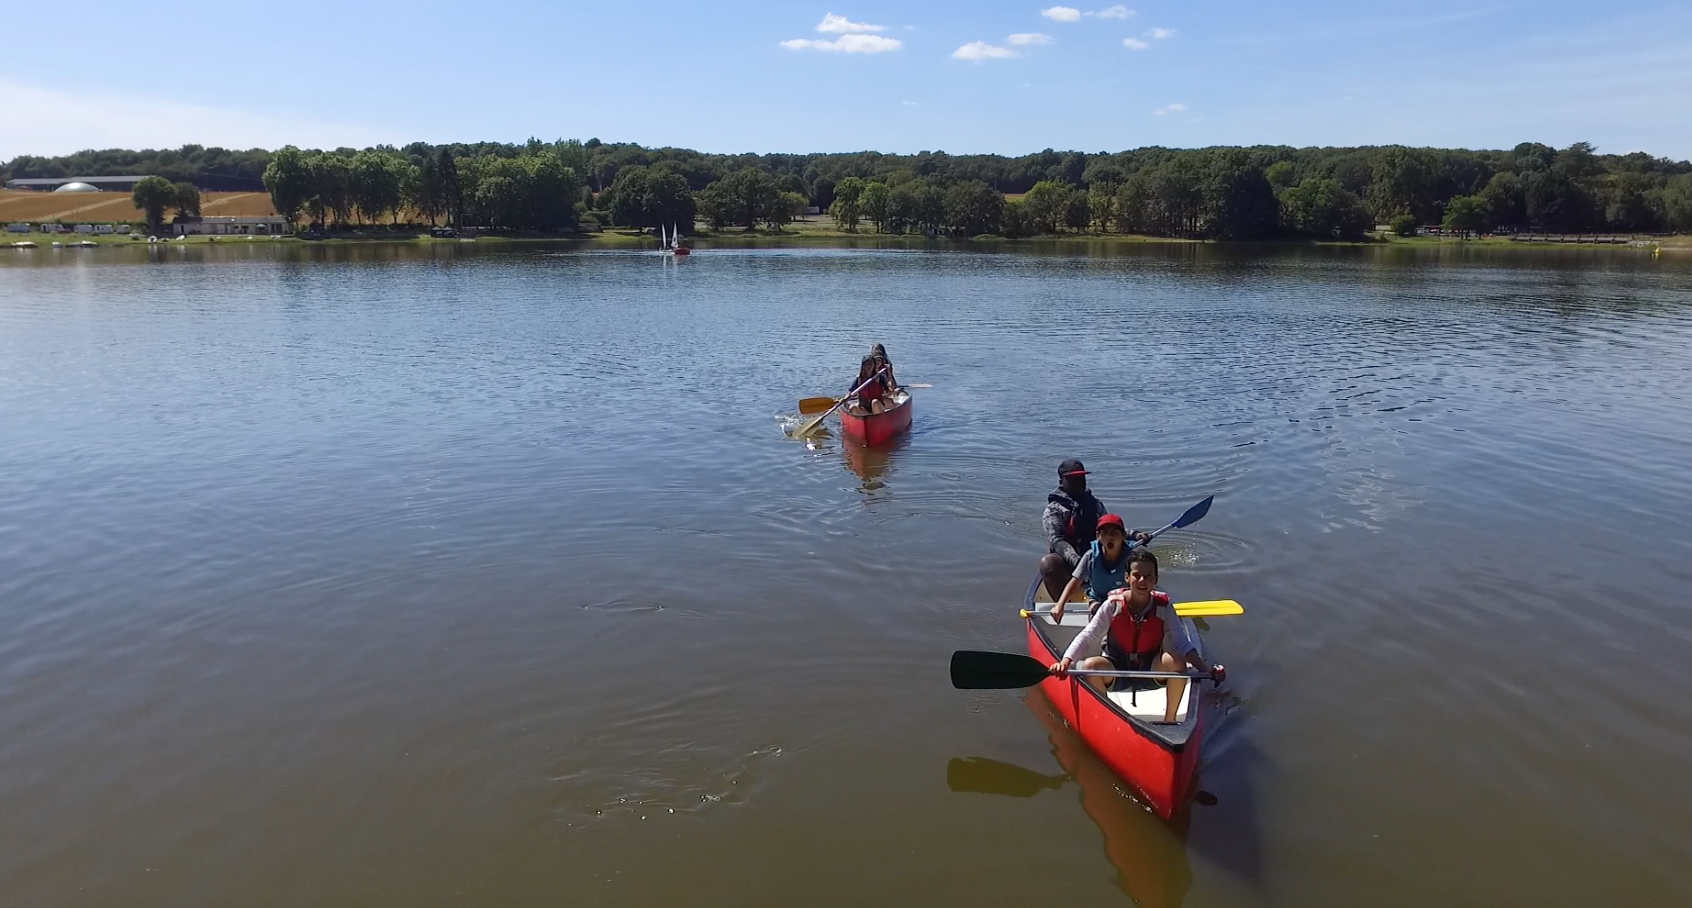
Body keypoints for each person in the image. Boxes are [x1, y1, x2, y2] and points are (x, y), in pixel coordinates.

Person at [1047, 549, 1225, 724]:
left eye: (1148, 576)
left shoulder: (1164, 607)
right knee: (1090, 665)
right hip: (1116, 670)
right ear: (1127, 578)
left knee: (1176, 661)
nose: (1142, 581)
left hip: (1150, 671)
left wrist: (1206, 669)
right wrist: (1065, 662)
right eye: (1136, 575)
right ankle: (1108, 718)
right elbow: (1088, 636)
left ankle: (1170, 722)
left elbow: (1181, 643)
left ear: (1156, 580)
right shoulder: (1112, 605)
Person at [1039, 459, 1148, 599]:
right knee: (1048, 563)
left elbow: (1110, 529)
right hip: (1070, 563)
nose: (1078, 481)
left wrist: (1136, 535)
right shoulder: (1054, 510)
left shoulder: (1094, 504)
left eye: (1081, 477)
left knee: (1138, 554)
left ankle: (1135, 598)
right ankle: (1064, 605)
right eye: (1072, 479)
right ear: (1061, 481)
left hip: (1098, 557)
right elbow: (1057, 541)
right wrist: (1077, 561)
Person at [1048, 513, 1134, 623]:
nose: (1109, 537)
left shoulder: (1131, 558)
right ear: (1098, 536)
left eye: (1114, 533)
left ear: (1123, 536)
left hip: (1123, 598)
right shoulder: (1090, 556)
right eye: (1105, 533)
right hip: (1098, 599)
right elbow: (1074, 582)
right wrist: (1059, 605)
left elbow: (1141, 580)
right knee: (1098, 615)